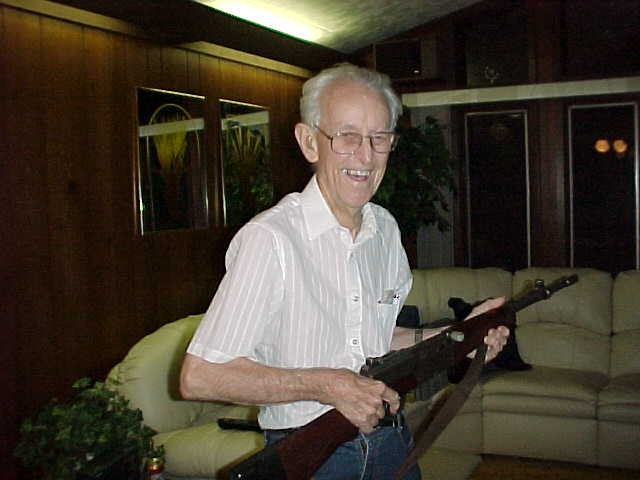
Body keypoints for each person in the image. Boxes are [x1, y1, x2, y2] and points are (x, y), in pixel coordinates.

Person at [180, 63, 509, 479]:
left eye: (379, 138)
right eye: (347, 136)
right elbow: (201, 377)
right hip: (311, 454)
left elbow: (375, 338)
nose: (365, 156)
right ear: (309, 142)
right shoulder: (271, 239)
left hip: (391, 441)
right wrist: (326, 385)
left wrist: (461, 333)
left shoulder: (385, 230)